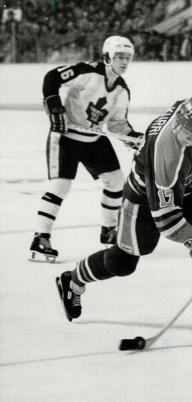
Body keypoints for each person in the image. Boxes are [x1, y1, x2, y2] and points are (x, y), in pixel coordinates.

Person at [55, 96, 192, 335]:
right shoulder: (166, 156)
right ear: (177, 125)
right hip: (144, 198)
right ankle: (72, 281)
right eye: (190, 137)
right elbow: (168, 222)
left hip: (189, 183)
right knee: (123, 262)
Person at [29, 36, 143, 262]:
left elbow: (118, 123)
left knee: (116, 181)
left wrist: (132, 137)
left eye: (127, 58)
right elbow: (52, 77)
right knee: (61, 185)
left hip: (93, 138)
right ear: (108, 56)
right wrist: (54, 106)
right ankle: (40, 238)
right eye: (120, 57)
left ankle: (109, 230)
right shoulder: (88, 71)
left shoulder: (122, 90)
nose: (124, 62)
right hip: (66, 137)